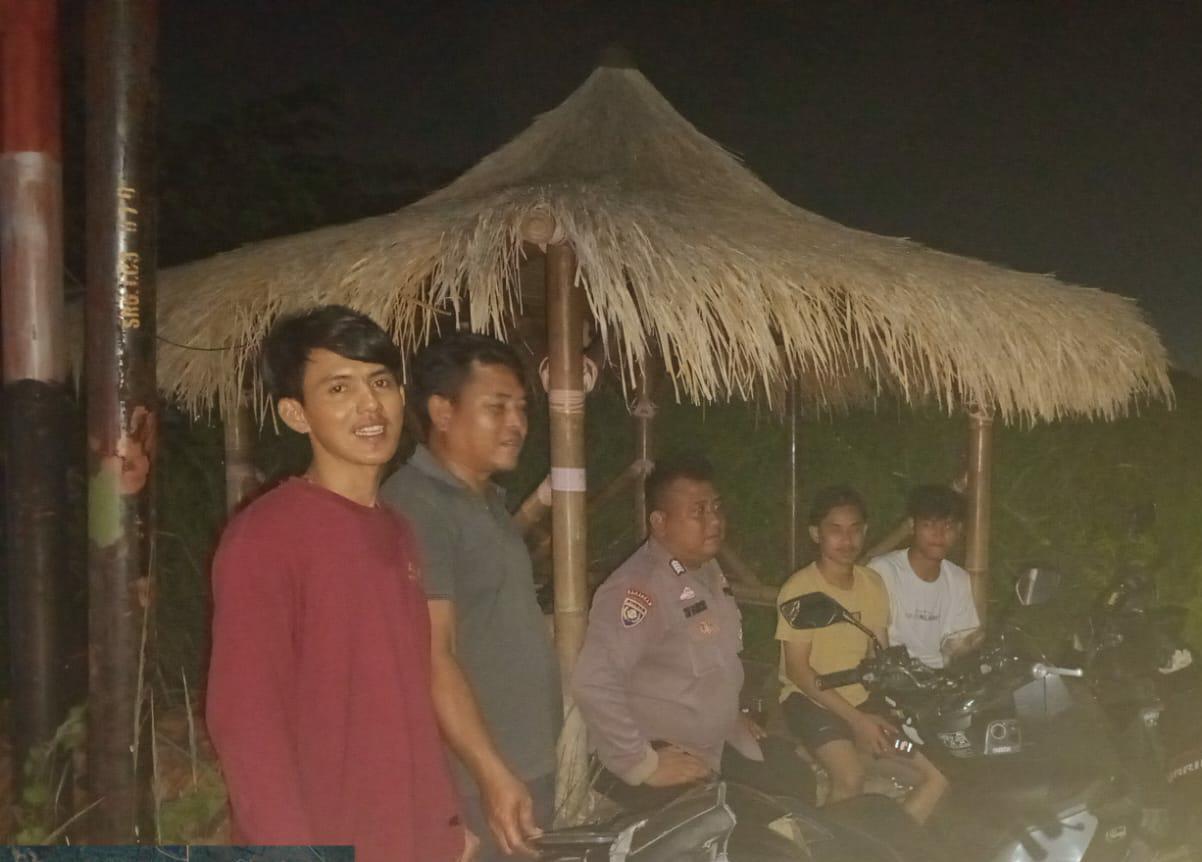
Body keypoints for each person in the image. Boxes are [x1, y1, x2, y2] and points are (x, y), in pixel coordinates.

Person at [206, 306, 474, 862]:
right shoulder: (266, 537)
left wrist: (446, 827)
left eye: (380, 382)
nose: (369, 405)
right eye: (338, 388)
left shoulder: (397, 530)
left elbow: (407, 697)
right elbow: (246, 723)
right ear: (295, 414)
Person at [381, 333, 560, 861]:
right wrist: (491, 774)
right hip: (473, 781)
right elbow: (431, 653)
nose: (517, 423)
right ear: (442, 411)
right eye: (496, 407)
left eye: (521, 408)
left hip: (520, 761)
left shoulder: (483, 502)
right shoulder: (419, 506)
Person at [573, 455, 815, 810]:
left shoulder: (706, 570)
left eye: (716, 507)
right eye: (698, 512)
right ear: (660, 522)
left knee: (794, 778)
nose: (714, 520)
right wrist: (642, 764)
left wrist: (729, 714)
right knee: (747, 819)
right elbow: (593, 682)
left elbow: (707, 661)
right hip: (658, 750)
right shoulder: (639, 588)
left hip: (713, 742)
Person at [776, 485, 947, 824]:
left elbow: (880, 654)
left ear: (865, 531)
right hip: (811, 702)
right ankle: (824, 847)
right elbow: (798, 671)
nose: (847, 539)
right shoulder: (800, 589)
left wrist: (904, 695)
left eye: (855, 529)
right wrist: (859, 722)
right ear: (816, 534)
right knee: (850, 777)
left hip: (863, 701)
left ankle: (885, 845)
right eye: (836, 530)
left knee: (936, 777)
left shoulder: (872, 583)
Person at [869, 485, 981, 668]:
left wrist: (972, 645)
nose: (939, 534)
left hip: (940, 678)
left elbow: (960, 642)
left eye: (948, 525)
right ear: (912, 526)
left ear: (959, 529)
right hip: (893, 674)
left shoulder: (958, 579)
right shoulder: (883, 571)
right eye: (929, 524)